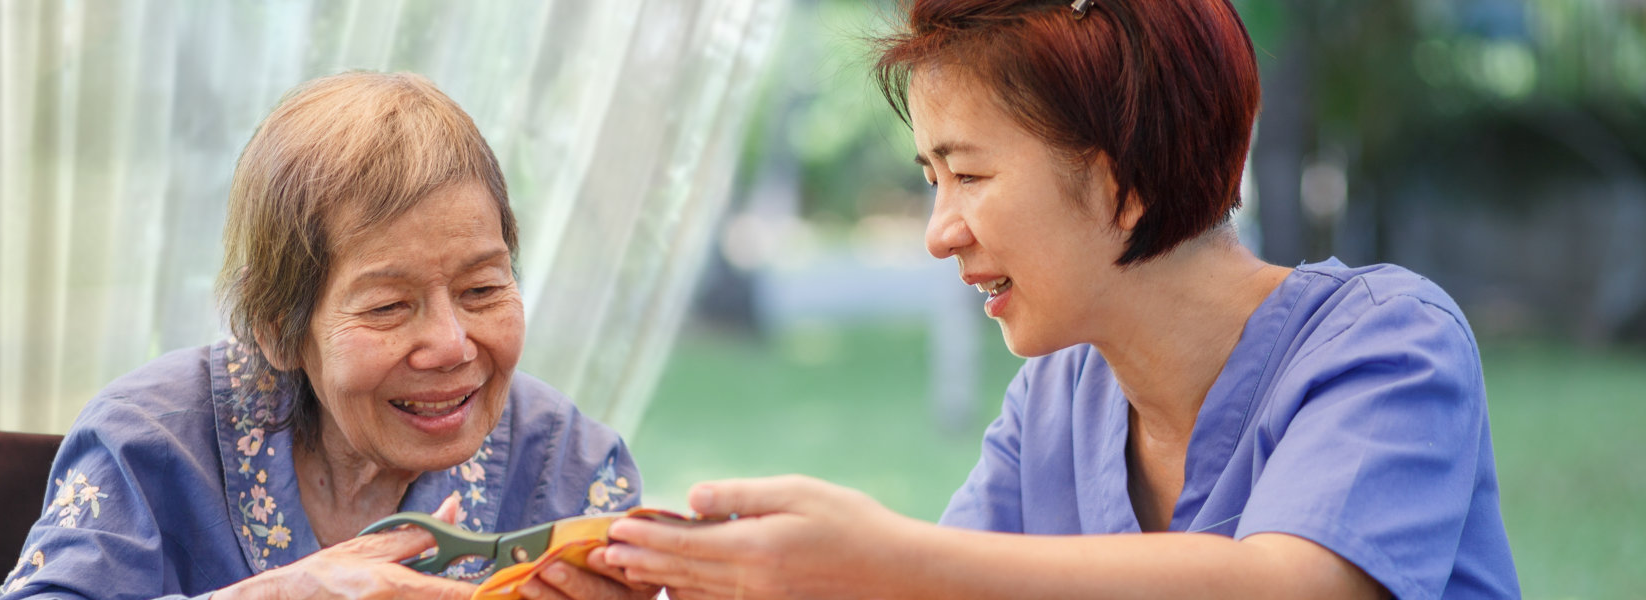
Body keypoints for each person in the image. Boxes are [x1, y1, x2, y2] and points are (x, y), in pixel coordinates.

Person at [602, 1, 1518, 598]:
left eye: (966, 174)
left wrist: (881, 558)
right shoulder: (1056, 401)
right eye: (930, 177)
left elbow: (1286, 586)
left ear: (1125, 181)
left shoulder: (1391, 343)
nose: (938, 230)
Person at [0, 71, 654, 600]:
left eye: (482, 290)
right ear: (278, 328)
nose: (453, 344)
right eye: (390, 306)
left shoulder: (566, 468)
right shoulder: (150, 445)